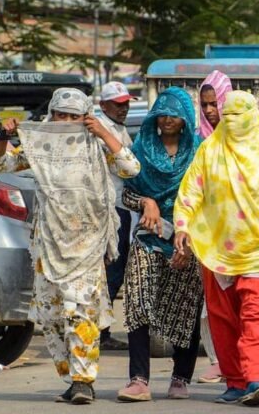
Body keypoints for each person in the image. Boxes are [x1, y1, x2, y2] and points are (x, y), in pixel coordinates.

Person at [0, 87, 140, 404]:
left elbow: (129, 168)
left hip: (86, 244)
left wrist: (102, 132)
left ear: (85, 117)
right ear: (51, 115)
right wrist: (5, 136)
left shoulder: (96, 145)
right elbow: (1, 165)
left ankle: (85, 381)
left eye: (74, 116)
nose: (66, 121)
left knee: (80, 312)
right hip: (48, 246)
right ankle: (71, 379)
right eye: (60, 114)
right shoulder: (40, 148)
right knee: (54, 317)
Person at [174, 90, 259, 406]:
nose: (232, 122)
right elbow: (191, 190)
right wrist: (181, 226)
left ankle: (257, 377)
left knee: (258, 313)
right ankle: (235, 381)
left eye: (238, 116)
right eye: (226, 116)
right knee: (223, 318)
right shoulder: (209, 150)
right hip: (218, 250)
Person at [116, 86, 203, 402]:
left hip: (187, 239)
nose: (168, 120)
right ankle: (138, 379)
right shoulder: (141, 148)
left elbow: (207, 200)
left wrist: (189, 241)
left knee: (185, 307)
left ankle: (181, 378)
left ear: (186, 119)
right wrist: (146, 201)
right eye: (162, 113)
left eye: (175, 115)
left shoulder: (199, 152)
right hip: (148, 238)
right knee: (137, 302)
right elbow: (125, 193)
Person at [97, 81, 142, 351]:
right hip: (108, 208)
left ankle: (102, 331)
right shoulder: (101, 131)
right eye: (118, 104)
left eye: (126, 103)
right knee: (110, 270)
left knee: (115, 269)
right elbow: (126, 169)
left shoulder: (117, 129)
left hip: (121, 208)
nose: (124, 108)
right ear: (104, 106)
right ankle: (99, 332)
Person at [194, 70, 233, 384]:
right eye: (204, 104)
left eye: (214, 103)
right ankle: (218, 358)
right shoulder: (198, 140)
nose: (209, 110)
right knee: (213, 302)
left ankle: (242, 359)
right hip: (207, 234)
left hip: (240, 233)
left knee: (241, 299)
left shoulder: (242, 136)